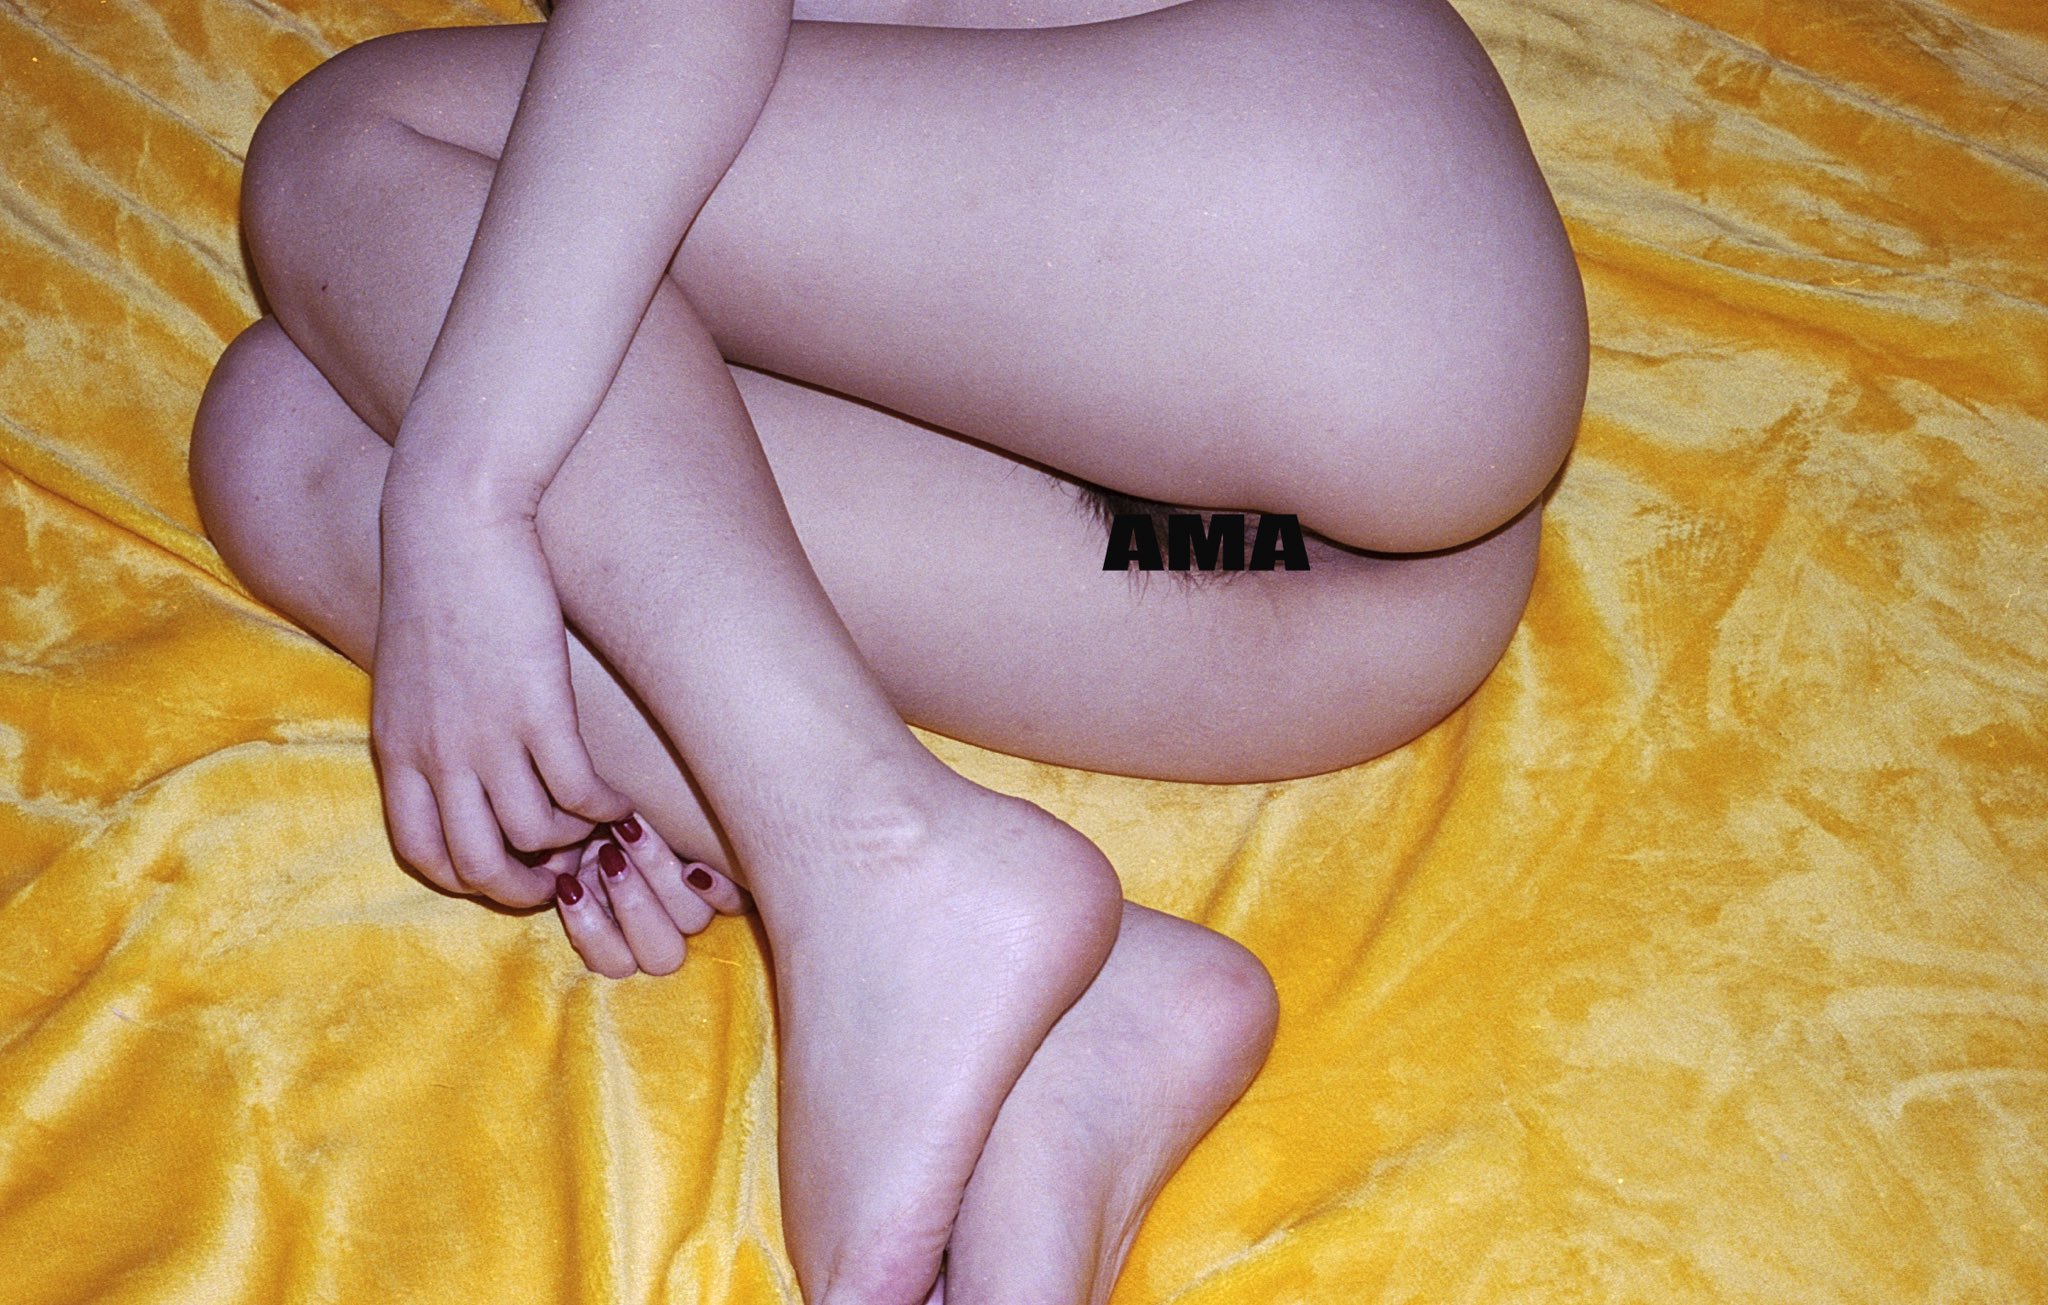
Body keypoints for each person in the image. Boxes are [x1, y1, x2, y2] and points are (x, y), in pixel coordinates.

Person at [187, 0, 1588, 1300]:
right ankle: (1069, 1007)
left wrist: (469, 496)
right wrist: (661, 753)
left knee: (355, 151)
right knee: (293, 435)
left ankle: (865, 850)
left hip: (1334, 231)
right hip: (1298, 589)